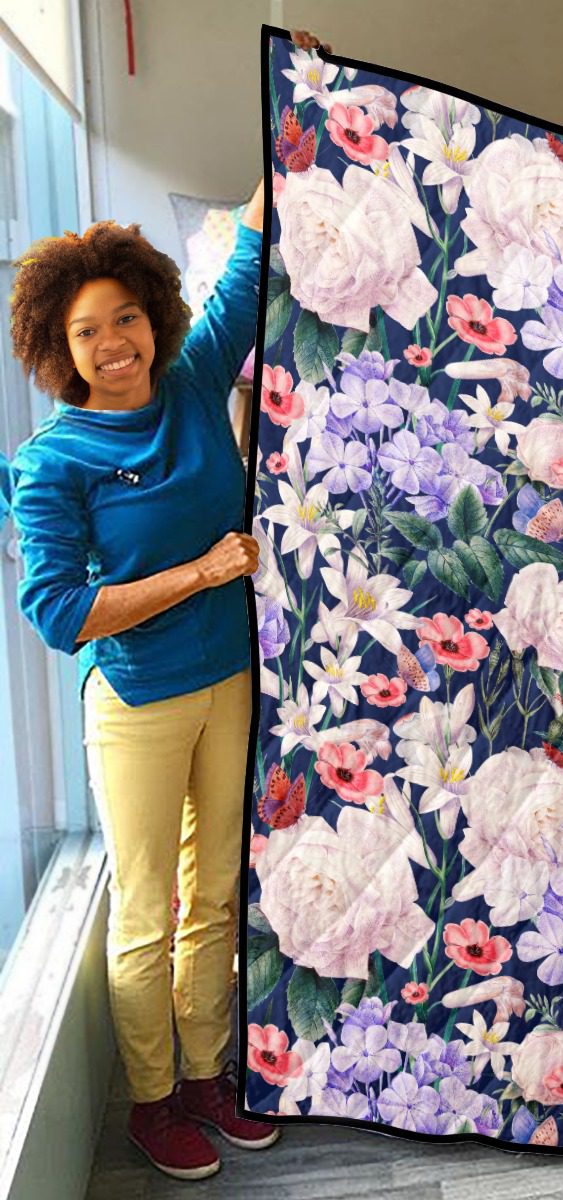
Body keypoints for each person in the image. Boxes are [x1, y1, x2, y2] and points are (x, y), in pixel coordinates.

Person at [5, 174, 278, 1179]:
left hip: (229, 679)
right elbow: (58, 612)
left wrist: (293, 121)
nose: (114, 342)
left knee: (214, 896)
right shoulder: (53, 462)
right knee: (146, 908)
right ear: (59, 348)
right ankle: (152, 1103)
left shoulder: (194, 384)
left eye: (127, 316)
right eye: (88, 331)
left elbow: (246, 269)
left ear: (155, 316)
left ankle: (205, 1077)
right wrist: (200, 573)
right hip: (137, 701)